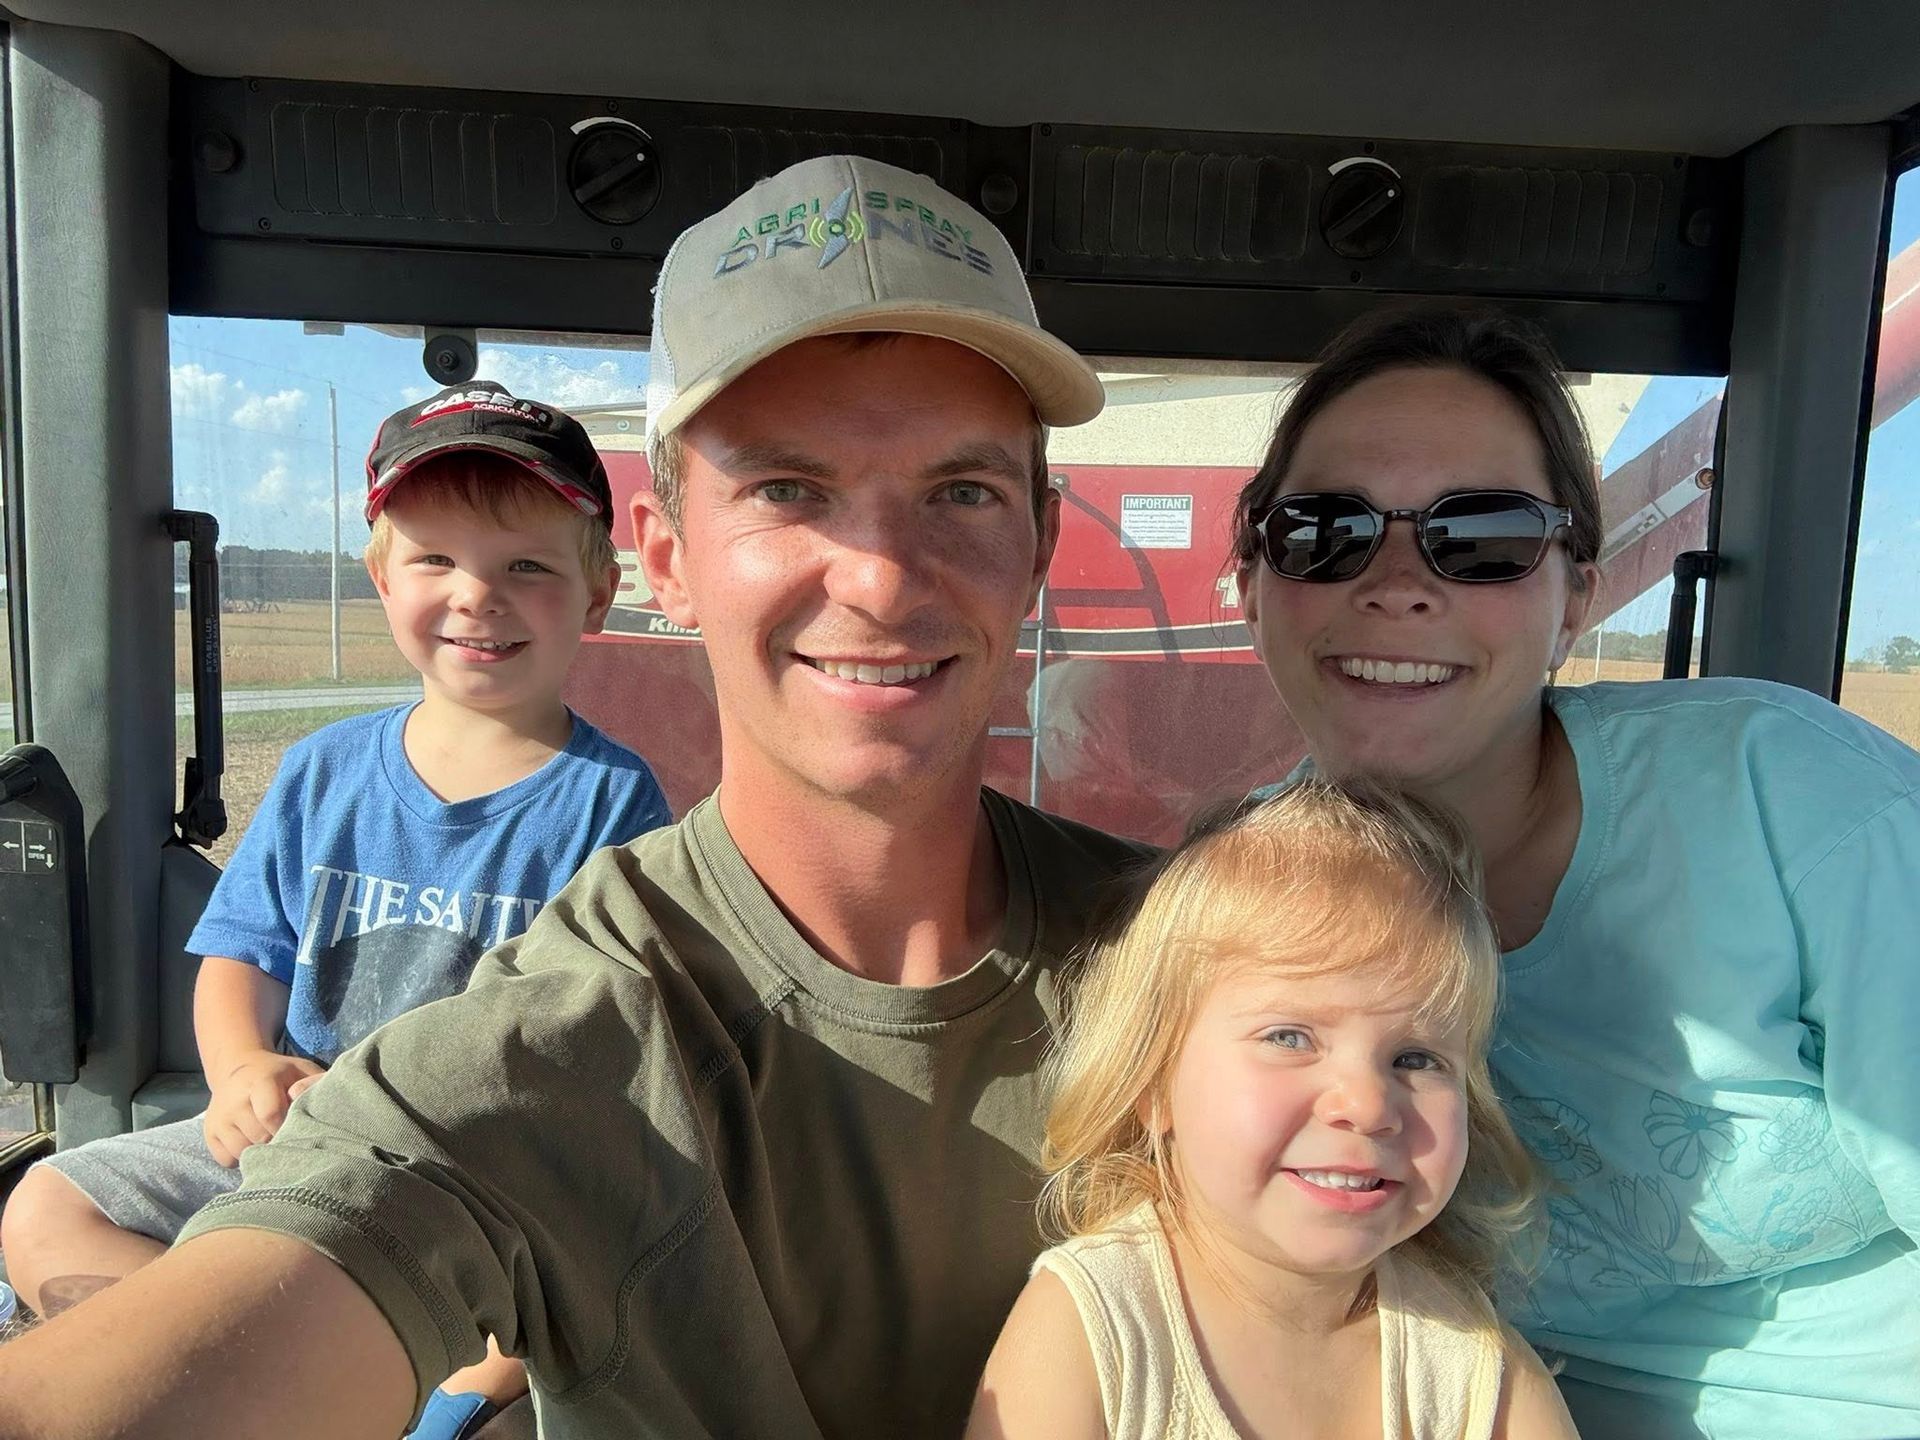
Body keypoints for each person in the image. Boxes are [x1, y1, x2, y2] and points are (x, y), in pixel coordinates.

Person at [0, 153, 1149, 1440]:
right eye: (787, 489)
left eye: (962, 491)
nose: (882, 578)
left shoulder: (1209, 963)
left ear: (1040, 542)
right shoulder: (580, 1023)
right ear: (664, 558)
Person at [1228, 307, 1920, 1438]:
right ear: (1254, 574)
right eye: (1325, 528)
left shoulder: (1790, 798)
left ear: (1578, 598)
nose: (1397, 582)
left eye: (1485, 534)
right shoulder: (1241, 903)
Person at [0, 382, 673, 1439]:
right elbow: (240, 957)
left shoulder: (611, 801)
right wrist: (240, 1073)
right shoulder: (324, 773)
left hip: (475, 1175)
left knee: (557, 1302)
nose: (476, 597)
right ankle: (233, 1370)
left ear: (598, 590)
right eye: (435, 560)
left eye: (527, 568)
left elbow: (594, 1047)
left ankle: (355, 1390)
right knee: (45, 1205)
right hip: (291, 1131)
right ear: (380, 577)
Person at [968, 778, 1578, 1440]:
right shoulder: (1097, 1329)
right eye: (1290, 1038)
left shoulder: (1473, 1368)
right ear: (1152, 1083)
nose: (1368, 1104)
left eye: (1416, 1059)